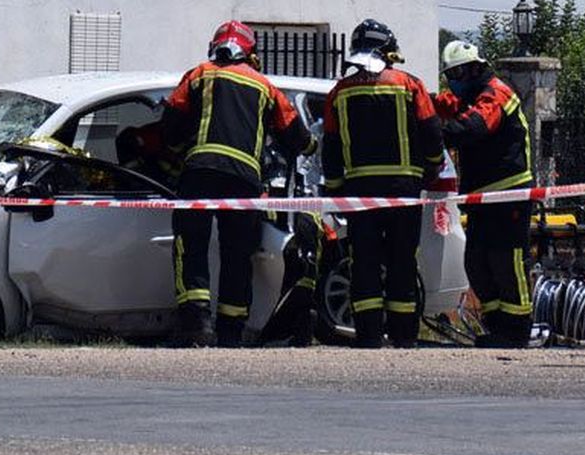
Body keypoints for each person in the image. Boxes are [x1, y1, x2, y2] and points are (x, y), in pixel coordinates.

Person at [163, 20, 313, 347]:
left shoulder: (199, 74)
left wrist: (174, 153)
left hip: (200, 172)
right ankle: (231, 330)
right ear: (250, 51)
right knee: (237, 253)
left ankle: (196, 324)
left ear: (215, 46)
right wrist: (313, 147)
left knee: (191, 246)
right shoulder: (264, 86)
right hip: (244, 180)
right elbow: (296, 135)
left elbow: (171, 126)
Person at [322, 19, 443, 348]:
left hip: (360, 193)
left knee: (364, 261)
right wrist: (432, 169)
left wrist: (335, 188)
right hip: (404, 189)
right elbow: (431, 132)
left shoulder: (339, 91)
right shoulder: (409, 84)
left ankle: (369, 336)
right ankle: (404, 336)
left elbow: (330, 146)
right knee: (402, 259)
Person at [435, 40, 536, 348]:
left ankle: (517, 329)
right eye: (451, 73)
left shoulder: (496, 93)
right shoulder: (467, 96)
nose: (456, 79)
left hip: (510, 191)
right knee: (477, 261)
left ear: (477, 67)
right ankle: (496, 326)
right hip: (481, 195)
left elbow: (474, 127)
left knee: (507, 259)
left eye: (461, 71)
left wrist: (433, 134)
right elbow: (440, 105)